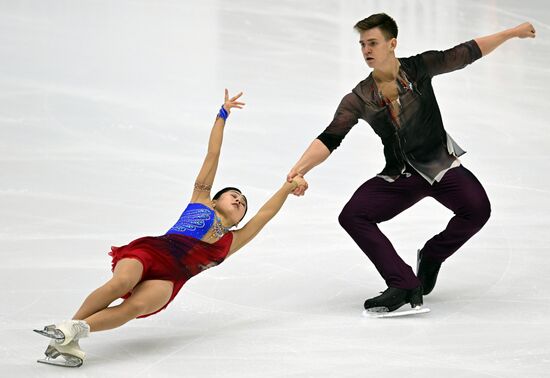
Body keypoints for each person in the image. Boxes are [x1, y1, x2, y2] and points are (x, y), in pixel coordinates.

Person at [34, 89, 308, 367]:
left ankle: (71, 333)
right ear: (215, 199)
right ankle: (67, 332)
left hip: (170, 280)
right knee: (122, 283)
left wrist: (286, 188)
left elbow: (265, 214)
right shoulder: (201, 200)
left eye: (243, 203)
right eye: (233, 194)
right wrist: (222, 115)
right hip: (151, 251)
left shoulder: (232, 241)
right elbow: (213, 155)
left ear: (238, 221)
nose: (238, 199)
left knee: (134, 308)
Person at [287, 13, 536, 313]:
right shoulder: (359, 97)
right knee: (353, 215)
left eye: (373, 43)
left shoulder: (419, 68)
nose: (367, 49)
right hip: (401, 177)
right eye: (362, 44)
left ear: (392, 44)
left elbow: (467, 52)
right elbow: (330, 137)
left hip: (440, 166)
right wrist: (300, 168)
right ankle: (403, 282)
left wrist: (512, 33)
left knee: (478, 210)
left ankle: (431, 255)